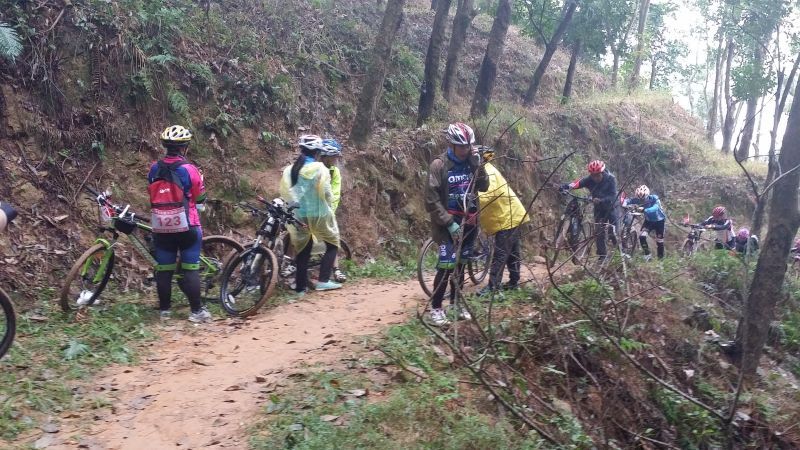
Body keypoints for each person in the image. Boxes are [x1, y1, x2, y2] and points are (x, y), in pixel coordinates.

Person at [425, 123, 489, 326]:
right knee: (446, 267)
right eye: (461, 146)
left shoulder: (472, 162)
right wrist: (449, 222)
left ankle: (455, 304)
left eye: (468, 146)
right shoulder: (439, 165)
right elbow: (431, 200)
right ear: (451, 145)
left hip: (469, 222)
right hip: (447, 226)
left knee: (461, 266)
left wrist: (478, 166)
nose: (465, 149)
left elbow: (484, 186)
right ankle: (436, 308)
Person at [148, 125, 210, 323]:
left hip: (161, 224)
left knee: (164, 269)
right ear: (185, 147)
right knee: (190, 268)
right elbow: (199, 197)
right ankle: (196, 312)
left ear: (165, 146)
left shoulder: (154, 168)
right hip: (187, 224)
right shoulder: (190, 170)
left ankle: (165, 313)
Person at [279, 135, 341, 295]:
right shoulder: (320, 169)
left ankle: (300, 289)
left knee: (303, 250)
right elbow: (327, 193)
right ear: (318, 152)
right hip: (319, 214)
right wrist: (328, 205)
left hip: (299, 215)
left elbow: (288, 193)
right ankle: (323, 281)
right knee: (332, 244)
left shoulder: (291, 169)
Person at [475, 149, 529, 296]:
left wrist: (473, 196)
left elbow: (489, 193)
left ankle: (493, 287)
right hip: (511, 214)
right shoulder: (485, 169)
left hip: (507, 217)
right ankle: (514, 282)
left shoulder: (488, 171)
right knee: (513, 252)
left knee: (500, 253)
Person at [561, 160, 619, 260]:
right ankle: (602, 257)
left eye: (597, 175)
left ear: (602, 172)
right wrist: (567, 186)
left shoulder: (610, 179)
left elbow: (613, 196)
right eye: (593, 175)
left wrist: (601, 200)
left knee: (613, 233)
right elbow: (578, 183)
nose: (595, 178)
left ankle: (620, 254)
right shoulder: (590, 179)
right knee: (599, 232)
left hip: (611, 208)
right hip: (599, 209)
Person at [320, 138, 347, 283]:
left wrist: (330, 211)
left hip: (327, 210)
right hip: (313, 208)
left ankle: (336, 269)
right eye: (335, 156)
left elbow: (335, 194)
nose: (337, 159)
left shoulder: (334, 171)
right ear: (327, 156)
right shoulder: (315, 168)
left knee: (333, 240)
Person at [623, 184, 666, 260]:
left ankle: (660, 259)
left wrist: (645, 210)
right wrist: (624, 204)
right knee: (642, 236)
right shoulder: (638, 199)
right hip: (649, 221)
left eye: (643, 199)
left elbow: (656, 208)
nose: (641, 201)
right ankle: (647, 255)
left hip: (659, 221)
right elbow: (629, 200)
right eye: (639, 199)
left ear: (647, 195)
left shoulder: (654, 198)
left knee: (659, 241)